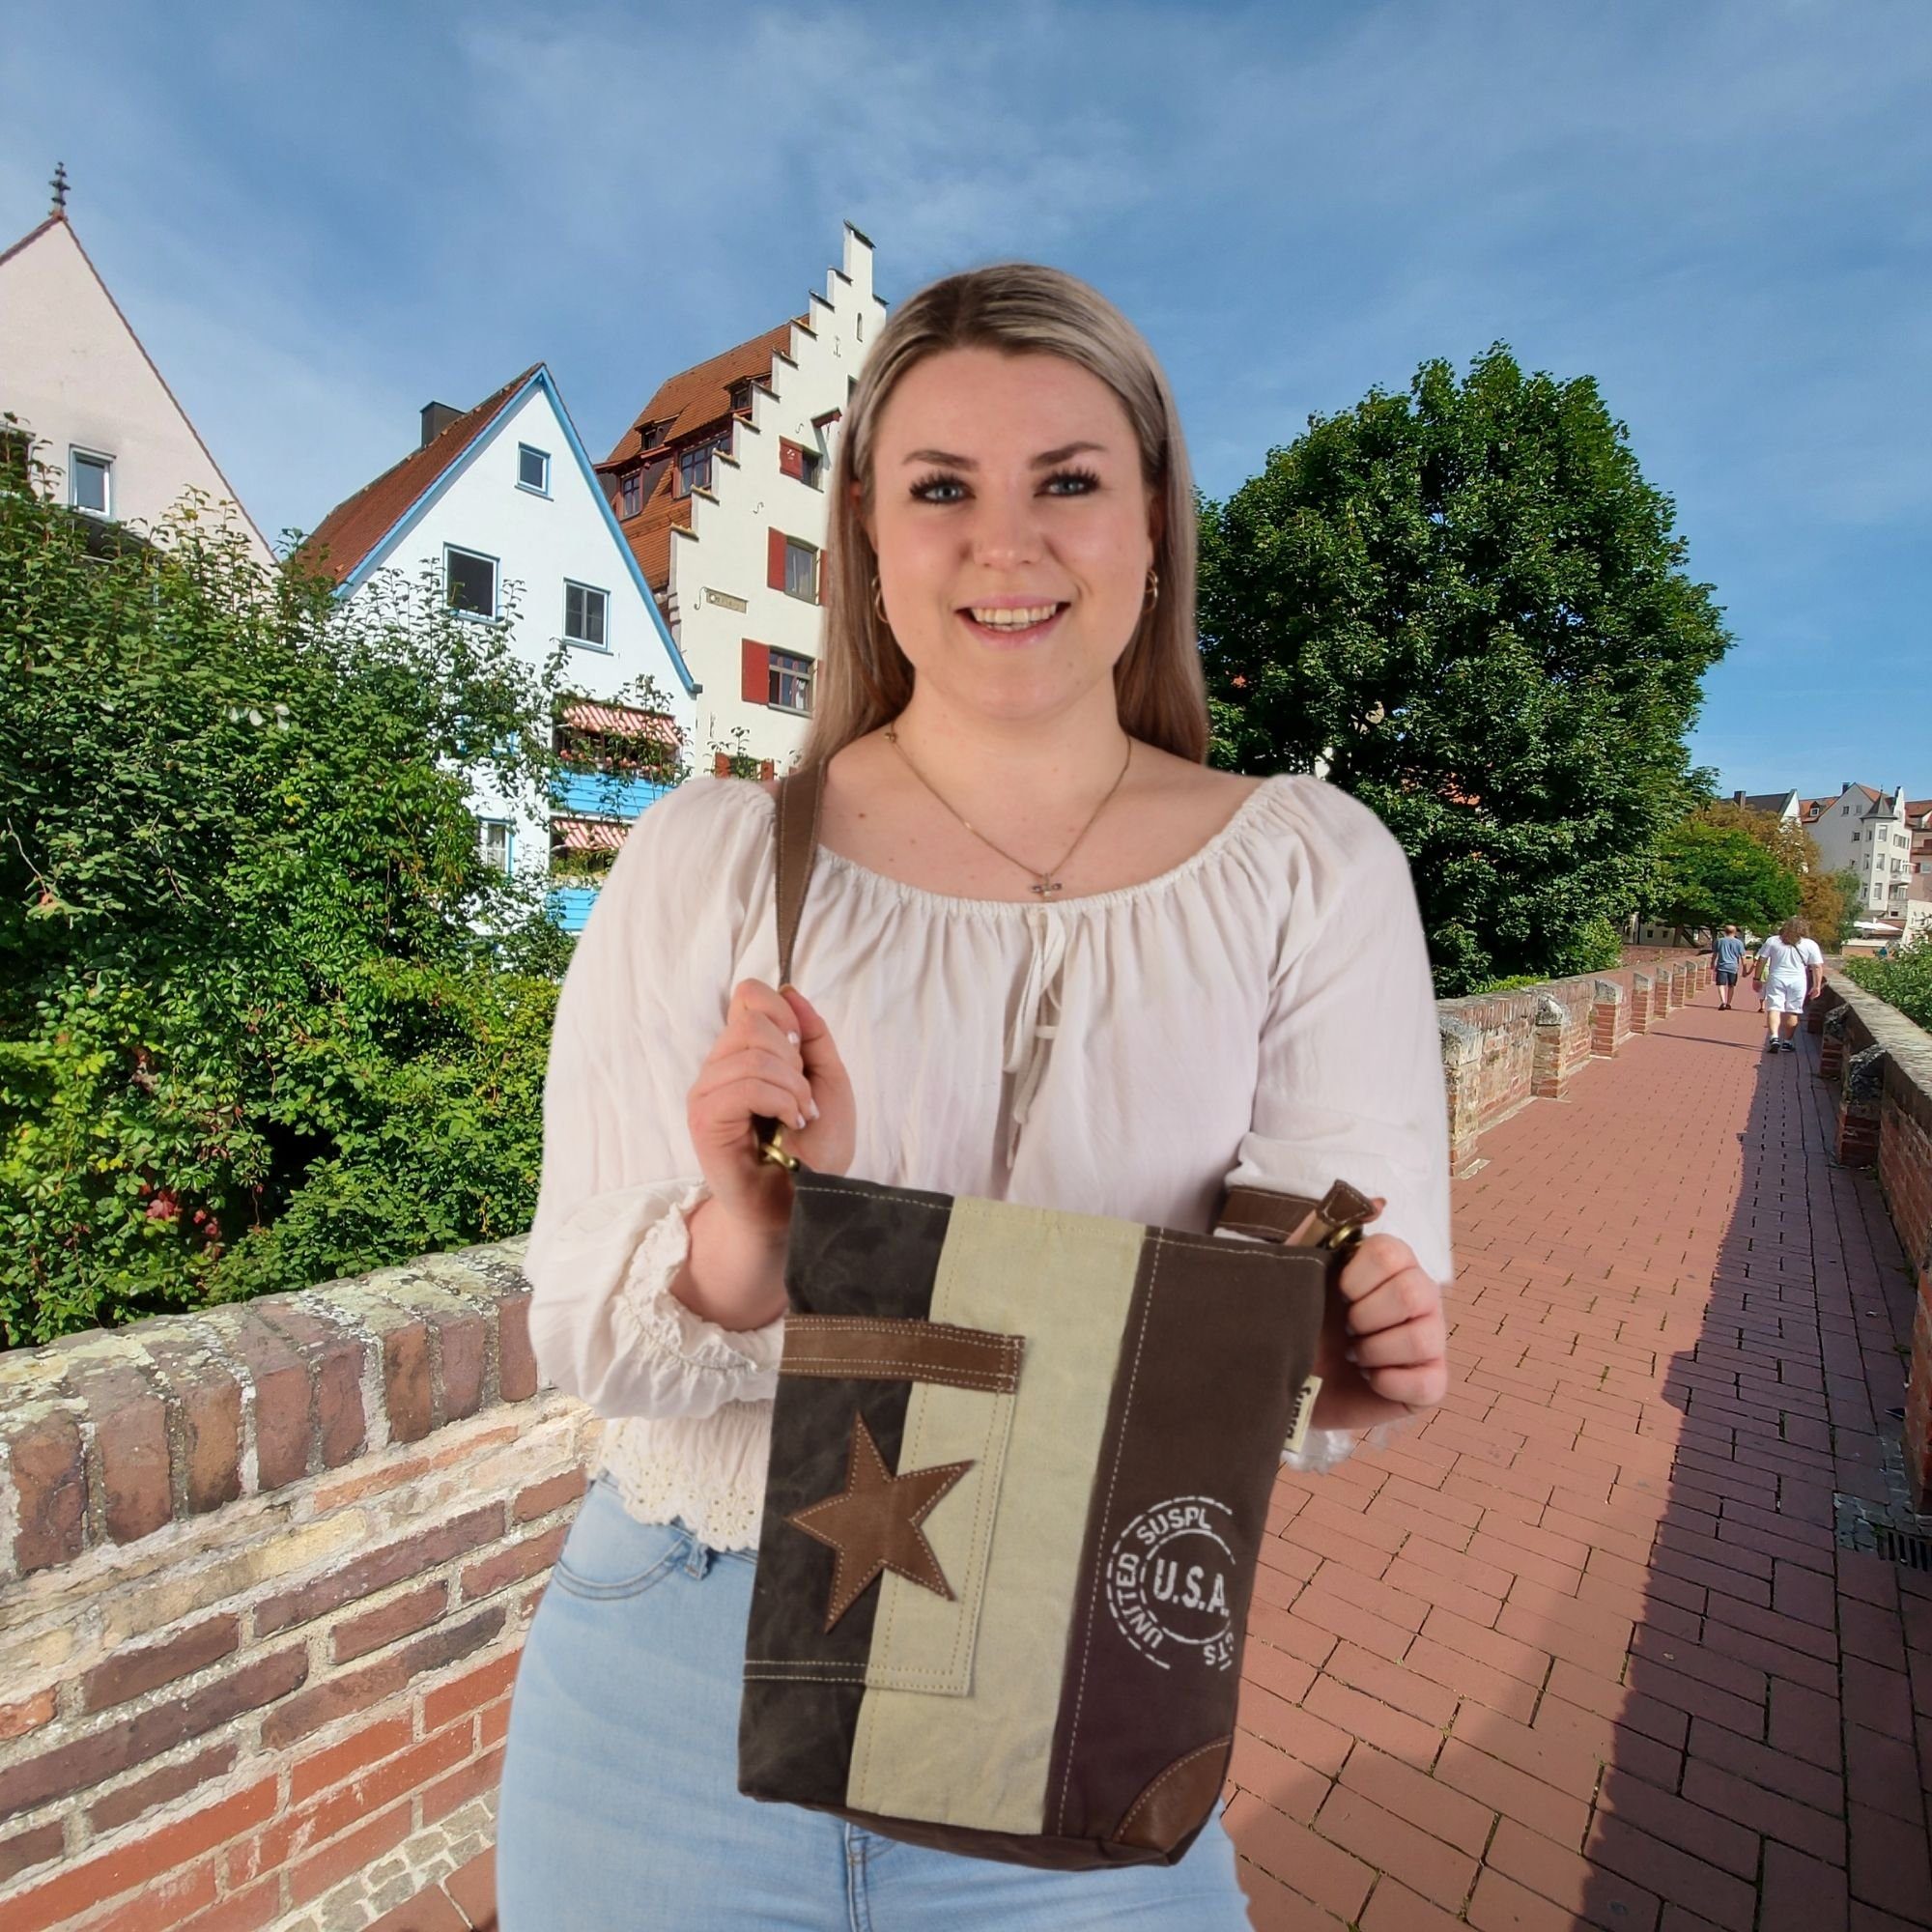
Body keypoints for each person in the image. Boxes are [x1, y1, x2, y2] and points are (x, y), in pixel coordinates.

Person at [496, 264, 1454, 1931]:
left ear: (1155, 525)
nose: (1003, 543)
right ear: (869, 533)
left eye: (1068, 481)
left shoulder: (1309, 868)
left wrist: (1355, 1347)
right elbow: (575, 1317)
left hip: (1077, 1683)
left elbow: (1298, 1353)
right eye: (941, 487)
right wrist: (753, 1238)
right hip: (677, 1682)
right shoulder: (709, 857)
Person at [1753, 917, 1823, 1051]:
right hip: (1798, 980)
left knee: (1774, 1007)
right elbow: (1817, 966)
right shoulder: (1810, 944)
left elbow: (1762, 960)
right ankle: (1788, 1041)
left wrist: (1757, 979)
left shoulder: (1773, 941)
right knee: (1793, 1010)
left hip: (1776, 978)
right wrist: (1817, 986)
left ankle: (1774, 1037)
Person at [1712, 923, 1746, 1009]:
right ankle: (1729, 1003)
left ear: (1725, 931)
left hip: (1722, 966)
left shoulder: (1719, 941)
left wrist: (1712, 963)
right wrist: (1744, 969)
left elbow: (1715, 954)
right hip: (1733, 967)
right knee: (1731, 985)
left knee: (1721, 985)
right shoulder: (1739, 943)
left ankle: (1723, 1001)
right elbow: (1742, 956)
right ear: (1735, 932)